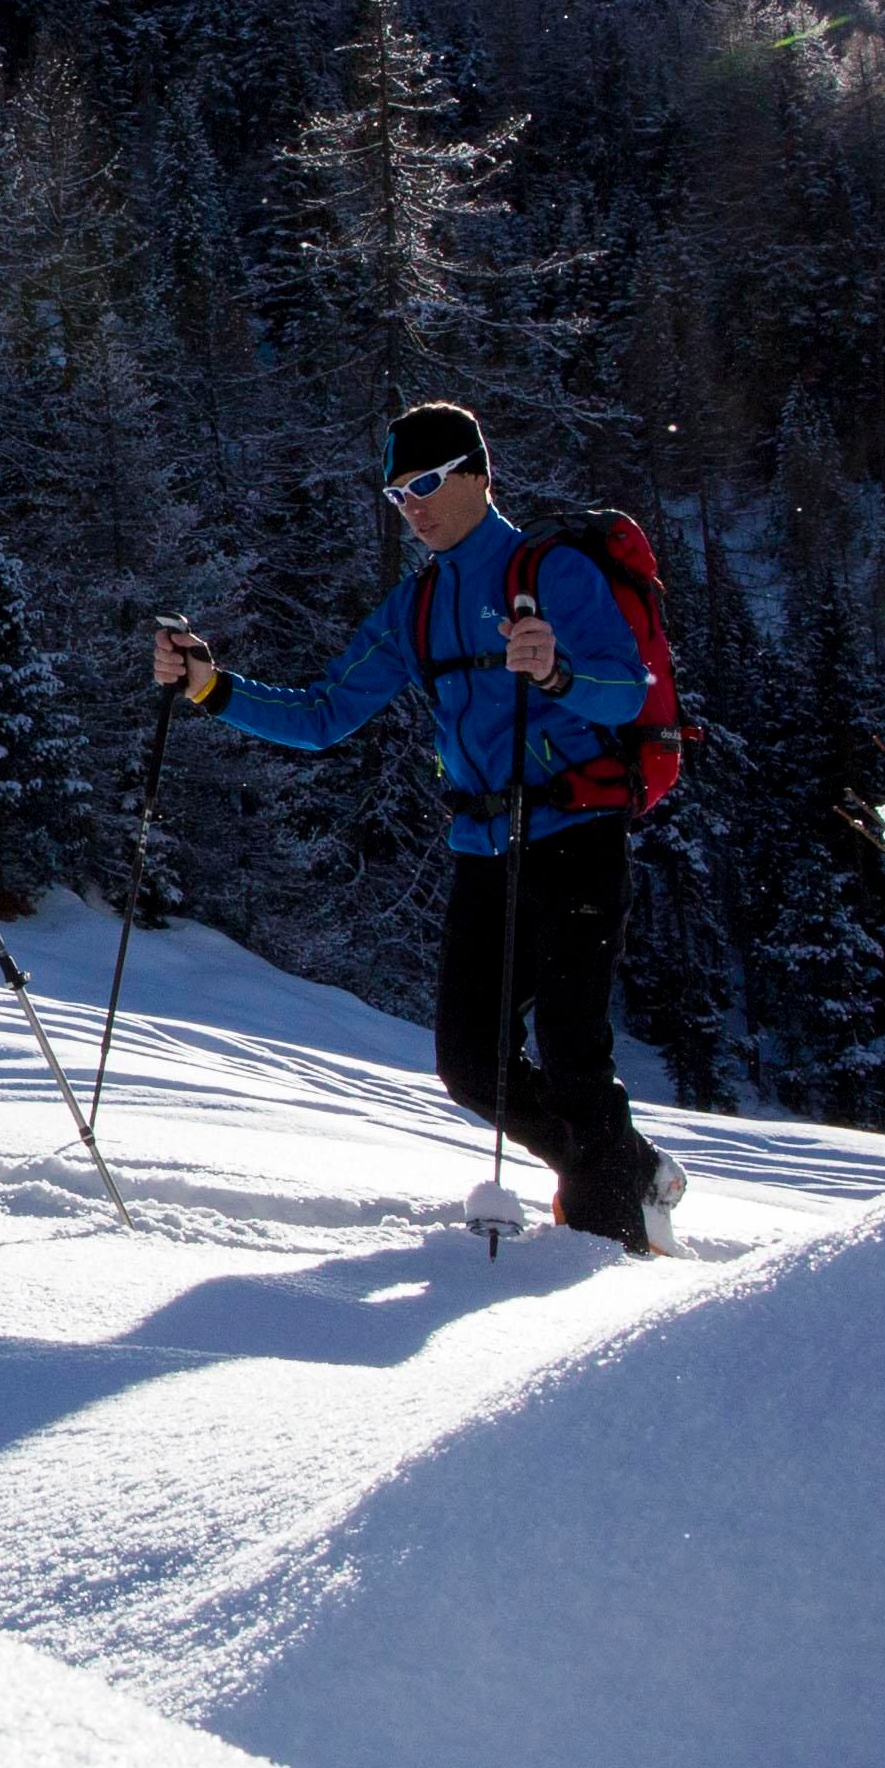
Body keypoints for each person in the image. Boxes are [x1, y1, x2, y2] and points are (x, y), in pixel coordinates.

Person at [149, 400, 687, 1253]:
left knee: (575, 1055)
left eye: (429, 485)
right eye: (398, 495)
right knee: (470, 1064)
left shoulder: (550, 571)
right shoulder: (418, 604)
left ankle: (613, 1246)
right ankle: (626, 1163)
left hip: (578, 834)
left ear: (479, 474)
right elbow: (326, 713)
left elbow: (625, 691)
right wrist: (214, 688)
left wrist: (554, 673)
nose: (415, 507)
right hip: (483, 849)